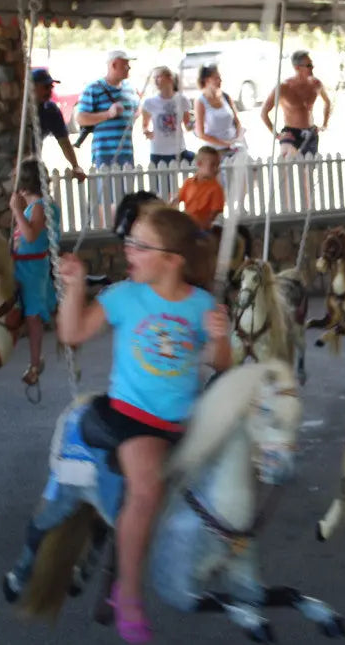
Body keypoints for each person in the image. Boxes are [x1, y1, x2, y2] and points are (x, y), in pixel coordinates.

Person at [56, 206, 231, 644]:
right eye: (129, 241)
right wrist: (74, 287)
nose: (127, 250)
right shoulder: (122, 296)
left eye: (139, 245)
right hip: (133, 418)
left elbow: (219, 364)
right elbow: (73, 333)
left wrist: (221, 335)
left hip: (183, 420)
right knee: (148, 487)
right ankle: (128, 594)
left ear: (172, 259)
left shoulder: (200, 305)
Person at [10, 158, 62, 386]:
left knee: (32, 316)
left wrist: (16, 211)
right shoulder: (34, 206)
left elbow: (31, 236)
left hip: (32, 266)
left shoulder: (40, 206)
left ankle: (34, 362)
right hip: (21, 263)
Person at [74, 49, 138, 168]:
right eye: (125, 64)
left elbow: (136, 109)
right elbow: (81, 118)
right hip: (104, 153)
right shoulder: (93, 88)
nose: (129, 68)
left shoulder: (130, 88)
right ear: (114, 65)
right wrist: (108, 114)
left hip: (127, 151)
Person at [261, 50, 331, 157]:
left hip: (311, 131)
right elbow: (264, 112)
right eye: (309, 65)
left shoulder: (316, 84)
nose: (312, 67)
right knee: (285, 162)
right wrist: (276, 134)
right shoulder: (283, 87)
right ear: (297, 67)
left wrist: (325, 124)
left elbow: (327, 102)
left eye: (312, 64)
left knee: (308, 170)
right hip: (291, 132)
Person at [30, 68, 86, 181]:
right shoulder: (19, 109)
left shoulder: (51, 110)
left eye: (51, 87)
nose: (50, 91)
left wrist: (75, 165)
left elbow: (64, 141)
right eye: (46, 87)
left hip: (34, 160)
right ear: (32, 87)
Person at [140, 66, 194, 167]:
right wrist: (146, 131)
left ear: (170, 78)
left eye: (159, 77)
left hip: (179, 150)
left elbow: (187, 125)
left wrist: (198, 122)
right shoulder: (149, 103)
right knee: (163, 182)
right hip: (158, 151)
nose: (156, 80)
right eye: (154, 78)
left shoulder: (182, 100)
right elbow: (144, 125)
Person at [193, 64, 242, 156]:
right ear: (206, 80)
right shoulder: (200, 101)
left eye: (220, 78)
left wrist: (237, 139)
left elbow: (237, 122)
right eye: (216, 78)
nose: (220, 81)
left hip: (234, 148)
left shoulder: (226, 97)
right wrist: (225, 144)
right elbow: (201, 133)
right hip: (215, 152)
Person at [172, 146, 225, 230]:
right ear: (199, 164)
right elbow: (177, 200)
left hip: (204, 228)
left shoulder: (216, 188)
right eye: (213, 165)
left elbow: (214, 213)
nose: (216, 169)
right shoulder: (188, 182)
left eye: (218, 165)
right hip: (187, 223)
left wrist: (202, 225)